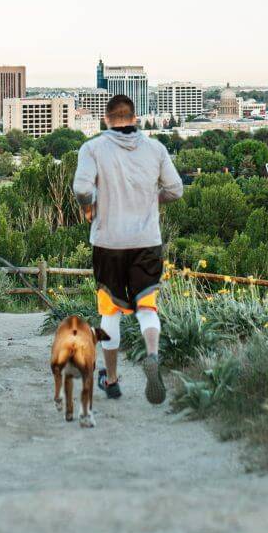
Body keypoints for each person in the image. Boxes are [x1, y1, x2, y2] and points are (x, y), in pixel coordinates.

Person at [72, 94, 184, 403]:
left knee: (110, 313)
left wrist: (89, 206)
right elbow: (175, 189)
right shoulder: (156, 148)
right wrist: (153, 199)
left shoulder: (92, 148)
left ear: (106, 120)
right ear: (134, 118)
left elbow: (82, 188)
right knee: (147, 307)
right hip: (147, 242)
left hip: (109, 242)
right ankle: (152, 354)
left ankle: (112, 379)